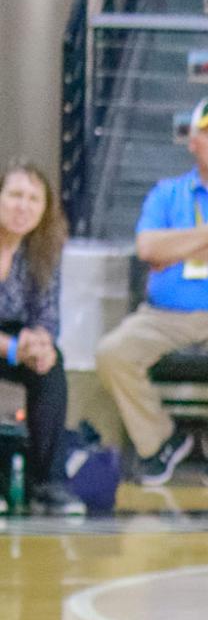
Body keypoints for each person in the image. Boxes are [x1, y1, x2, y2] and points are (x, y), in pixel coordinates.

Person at [95, 98, 208, 490]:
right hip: (163, 315)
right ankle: (159, 441)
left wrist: (176, 245)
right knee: (112, 353)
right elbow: (148, 250)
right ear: (193, 141)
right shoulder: (166, 193)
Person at [0, 162, 84, 516]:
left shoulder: (43, 249)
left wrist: (42, 345)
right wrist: (15, 348)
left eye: (34, 199)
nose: (23, 206)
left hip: (15, 336)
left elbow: (46, 314)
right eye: (16, 195)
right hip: (8, 343)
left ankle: (48, 483)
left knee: (51, 368)